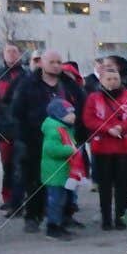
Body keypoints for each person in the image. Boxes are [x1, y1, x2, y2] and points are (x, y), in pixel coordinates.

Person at [10, 49, 86, 233]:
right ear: (41, 63)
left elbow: (82, 108)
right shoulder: (28, 84)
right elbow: (17, 111)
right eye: (51, 62)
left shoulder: (69, 85)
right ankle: (33, 216)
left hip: (66, 140)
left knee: (67, 180)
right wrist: (25, 136)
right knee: (34, 180)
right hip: (35, 140)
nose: (56, 65)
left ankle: (65, 215)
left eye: (59, 62)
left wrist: (80, 136)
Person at [83, 59, 127, 229]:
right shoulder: (93, 98)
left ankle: (120, 217)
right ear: (102, 81)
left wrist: (122, 127)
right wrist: (107, 129)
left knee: (122, 183)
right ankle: (106, 218)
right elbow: (89, 119)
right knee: (104, 185)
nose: (113, 82)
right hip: (102, 146)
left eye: (115, 79)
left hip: (125, 147)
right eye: (109, 79)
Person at [40, 97, 84, 241]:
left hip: (62, 172)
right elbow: (51, 149)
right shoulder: (54, 130)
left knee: (61, 200)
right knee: (56, 201)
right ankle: (52, 227)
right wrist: (70, 150)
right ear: (58, 115)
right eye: (68, 113)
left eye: (73, 113)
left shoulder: (64, 128)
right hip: (55, 173)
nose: (73, 116)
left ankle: (60, 223)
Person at [0, 44, 26, 214]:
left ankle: (19, 198)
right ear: (3, 55)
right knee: (7, 164)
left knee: (20, 163)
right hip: (3, 127)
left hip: (21, 127)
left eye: (15, 51)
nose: (12, 54)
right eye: (8, 52)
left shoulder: (26, 75)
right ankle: (8, 197)